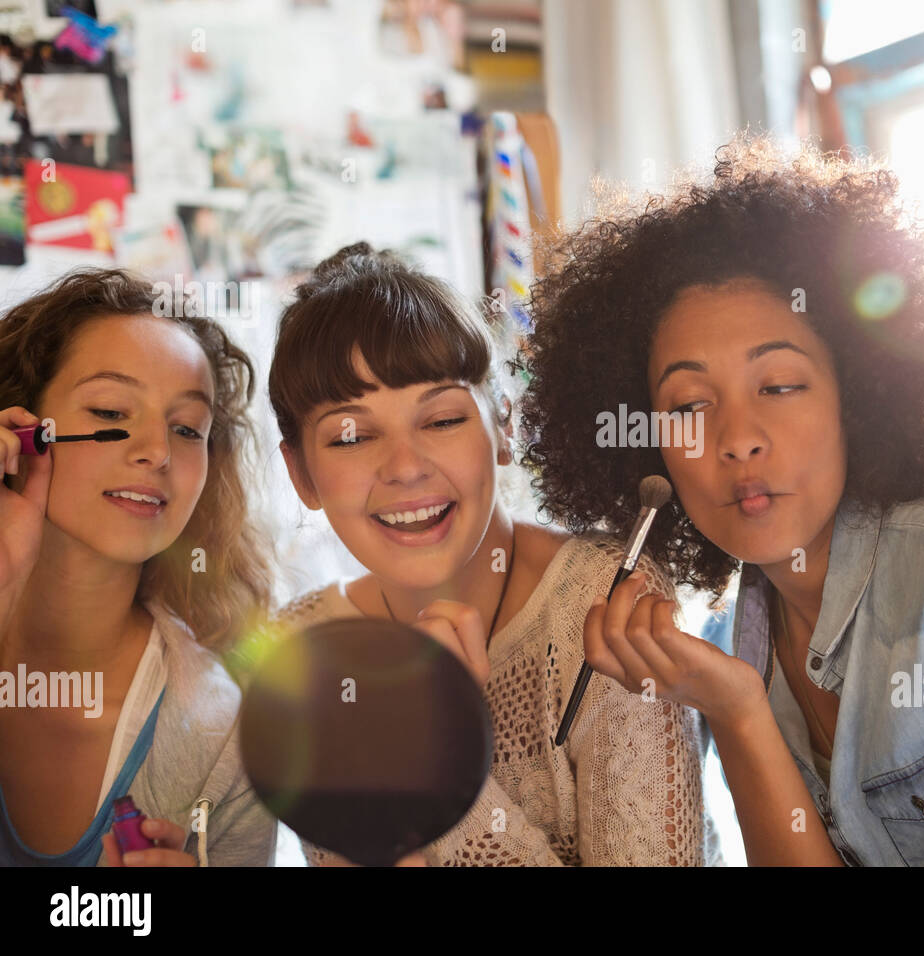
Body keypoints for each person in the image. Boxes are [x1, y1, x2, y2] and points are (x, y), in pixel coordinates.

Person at [514, 135, 924, 866]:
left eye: (778, 385)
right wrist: (738, 712)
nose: (737, 438)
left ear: (856, 399)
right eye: (689, 405)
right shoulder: (743, 638)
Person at [266, 243, 714, 866]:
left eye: (443, 420)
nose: (404, 468)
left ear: (504, 427)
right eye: (353, 435)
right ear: (302, 475)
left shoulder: (604, 603)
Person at [0, 268, 276, 866]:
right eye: (109, 410)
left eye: (187, 428)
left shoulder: (229, 736)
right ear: (19, 429)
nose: (157, 450)